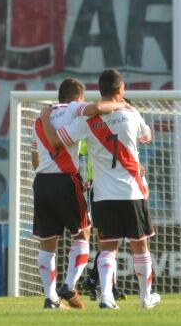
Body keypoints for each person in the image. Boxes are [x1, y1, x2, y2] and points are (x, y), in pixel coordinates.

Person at [42, 69, 159, 310]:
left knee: (108, 248)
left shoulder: (88, 120)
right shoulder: (131, 112)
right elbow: (147, 137)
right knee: (140, 245)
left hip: (103, 195)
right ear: (121, 90)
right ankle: (146, 298)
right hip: (132, 191)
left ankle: (106, 297)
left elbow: (59, 139)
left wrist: (45, 120)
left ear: (100, 90)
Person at [30, 78, 126, 309]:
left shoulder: (38, 120)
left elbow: (35, 159)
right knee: (83, 233)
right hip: (65, 180)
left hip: (41, 182)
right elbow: (96, 109)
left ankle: (50, 298)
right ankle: (70, 285)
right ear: (77, 98)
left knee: (47, 243)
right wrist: (118, 104)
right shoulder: (73, 109)